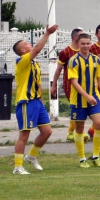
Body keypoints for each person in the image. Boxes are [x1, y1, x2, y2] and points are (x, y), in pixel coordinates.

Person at [10, 25, 59, 175]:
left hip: (36, 102)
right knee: (24, 135)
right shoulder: (22, 61)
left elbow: (38, 84)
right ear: (23, 51)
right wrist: (47, 34)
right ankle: (18, 167)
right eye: (26, 44)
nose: (29, 45)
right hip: (26, 102)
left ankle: (31, 156)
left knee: (47, 131)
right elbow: (37, 49)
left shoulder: (34, 64)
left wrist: (42, 101)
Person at [67, 33, 100, 168]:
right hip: (78, 100)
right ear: (78, 44)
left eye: (88, 43)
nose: (86, 46)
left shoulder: (96, 60)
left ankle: (96, 157)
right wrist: (86, 96)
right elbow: (74, 82)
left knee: (99, 124)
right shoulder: (73, 60)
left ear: (91, 44)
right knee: (80, 129)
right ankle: (82, 159)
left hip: (94, 99)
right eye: (83, 44)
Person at [52, 28, 90, 143]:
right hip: (70, 86)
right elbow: (58, 69)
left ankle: (70, 132)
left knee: (82, 108)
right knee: (77, 108)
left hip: (84, 84)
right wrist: (54, 85)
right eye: (81, 36)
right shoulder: (65, 52)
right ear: (75, 38)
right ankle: (79, 132)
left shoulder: (87, 51)